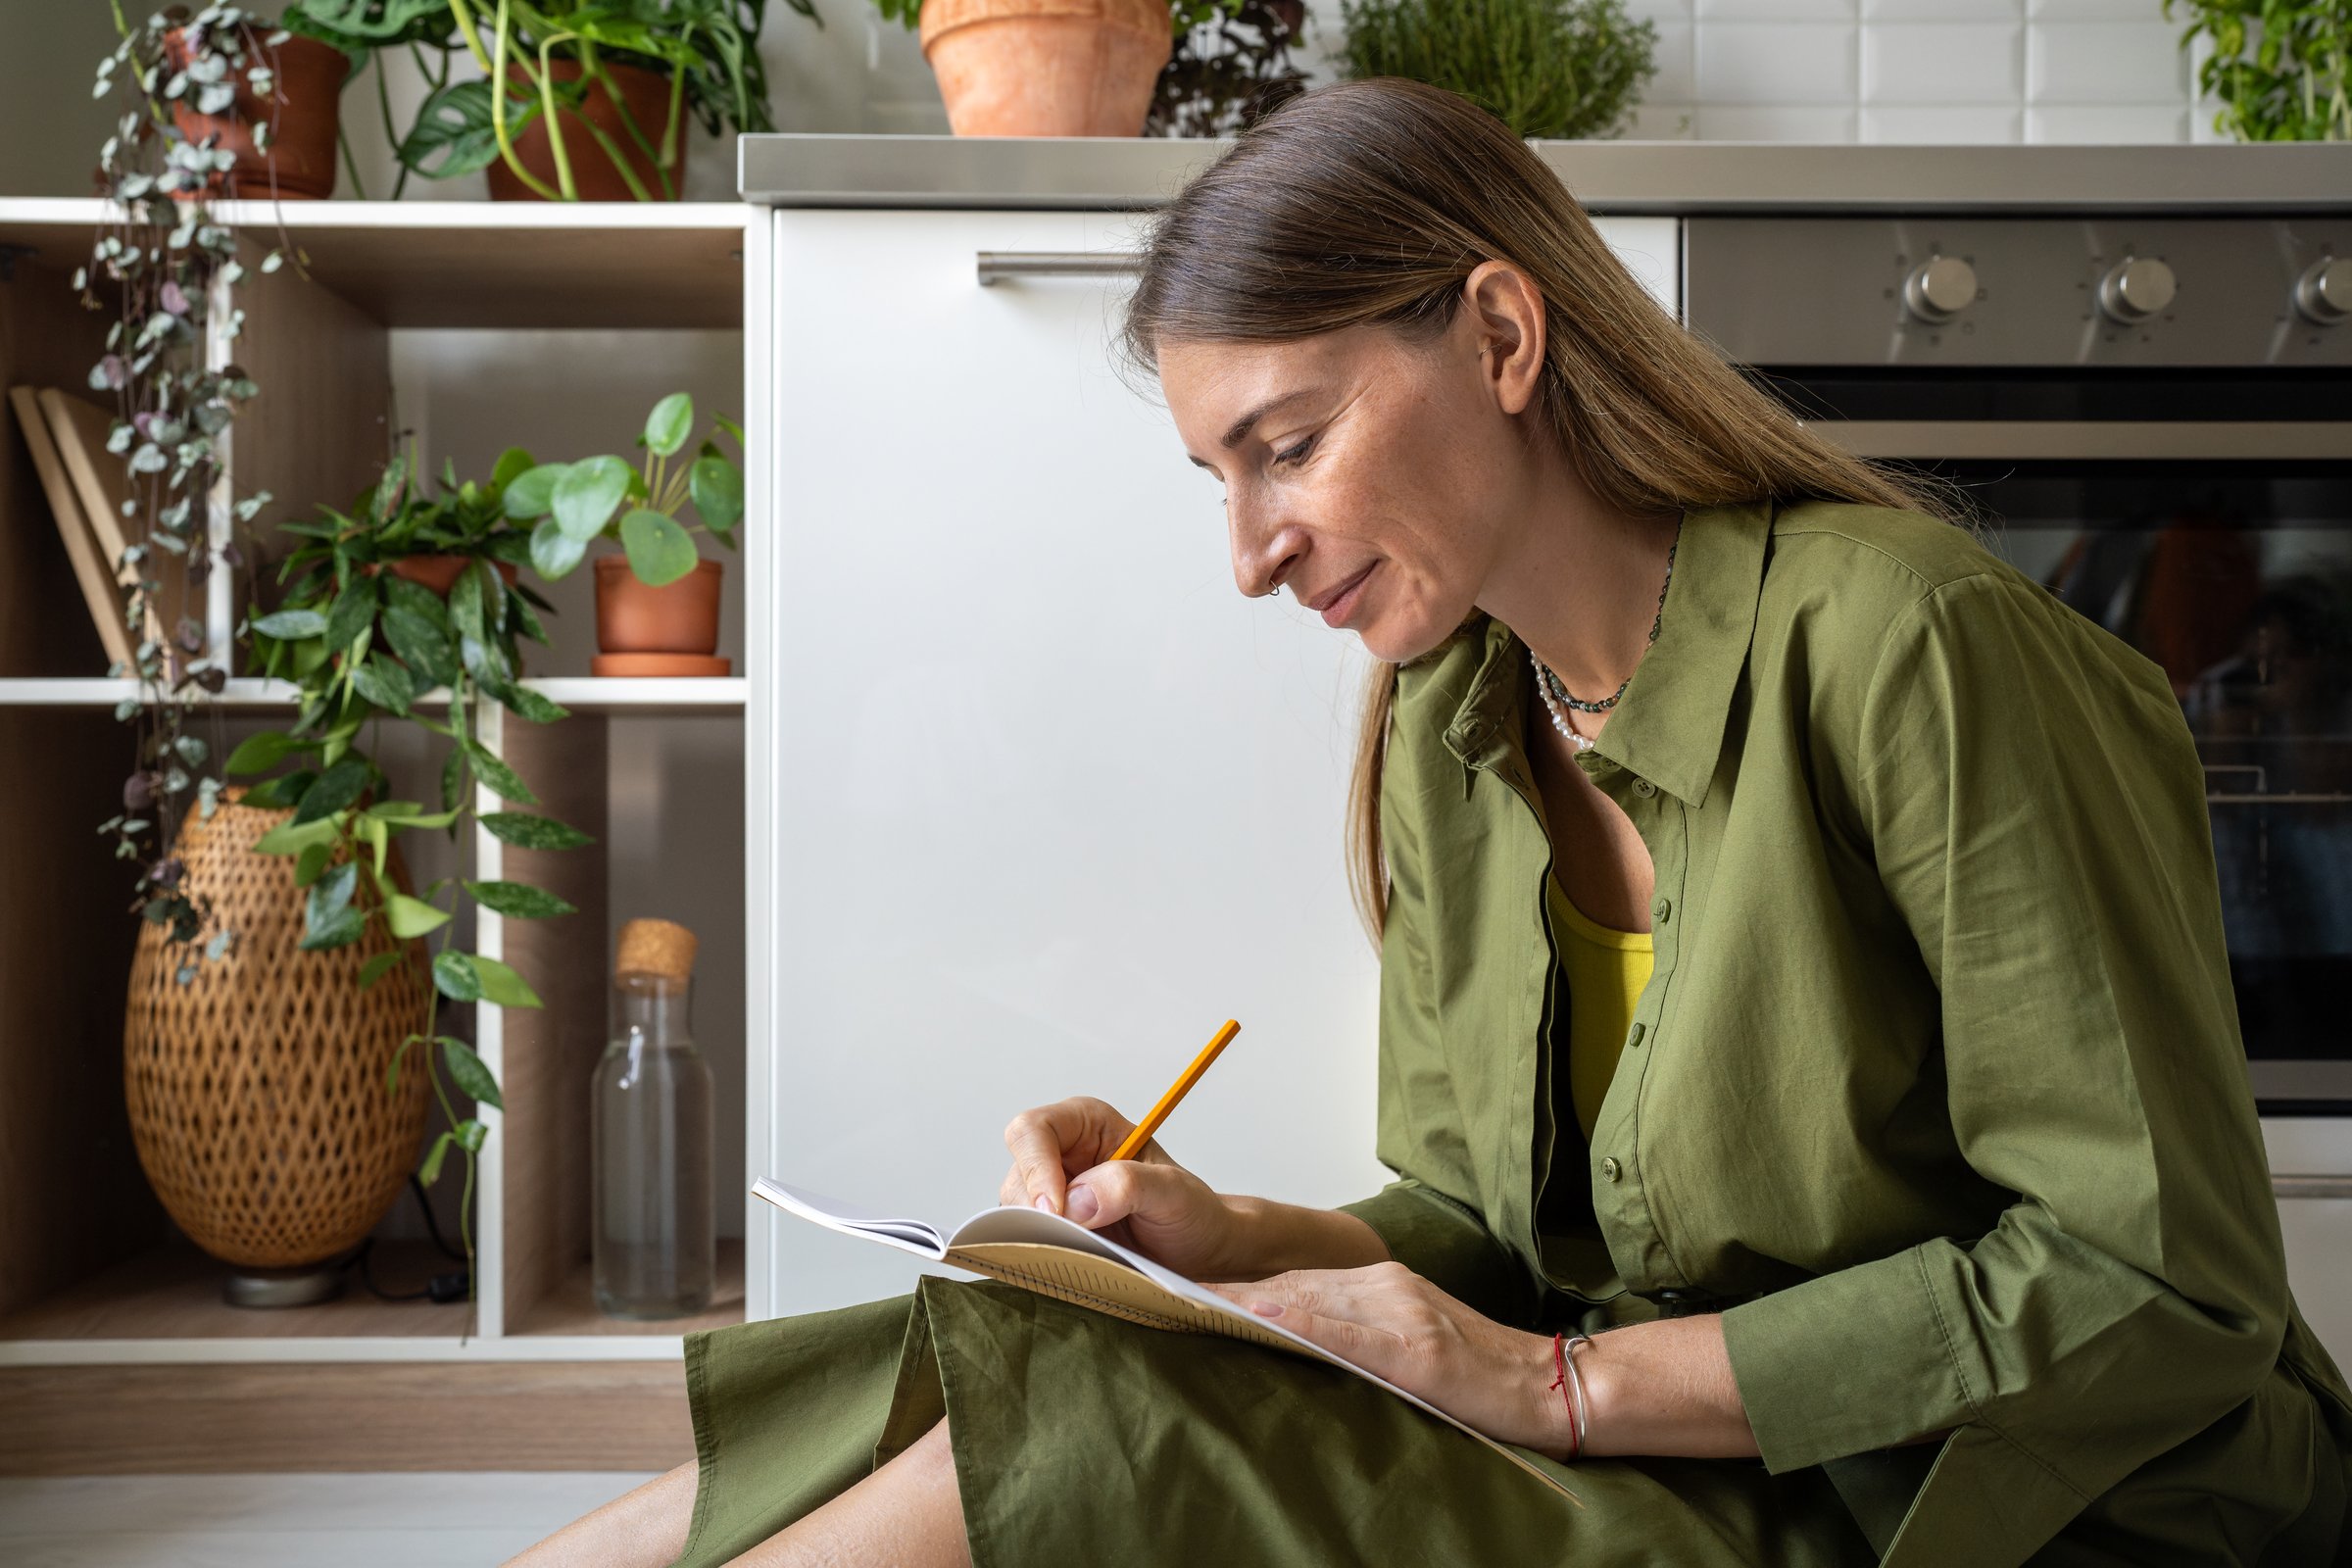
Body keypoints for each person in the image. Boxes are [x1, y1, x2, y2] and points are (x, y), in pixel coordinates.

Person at [514, 78, 2352, 1568]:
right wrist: (1229, 1242)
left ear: (1497, 333)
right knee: (1008, 1342)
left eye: (1288, 446)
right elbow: (1493, 1227)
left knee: (1111, 1440)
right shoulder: (1451, 723)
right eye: (1217, 479)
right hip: (1692, 1456)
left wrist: (1557, 1389)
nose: (1249, 559)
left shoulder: (1915, 650)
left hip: (2002, 1502)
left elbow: (2154, 1283)